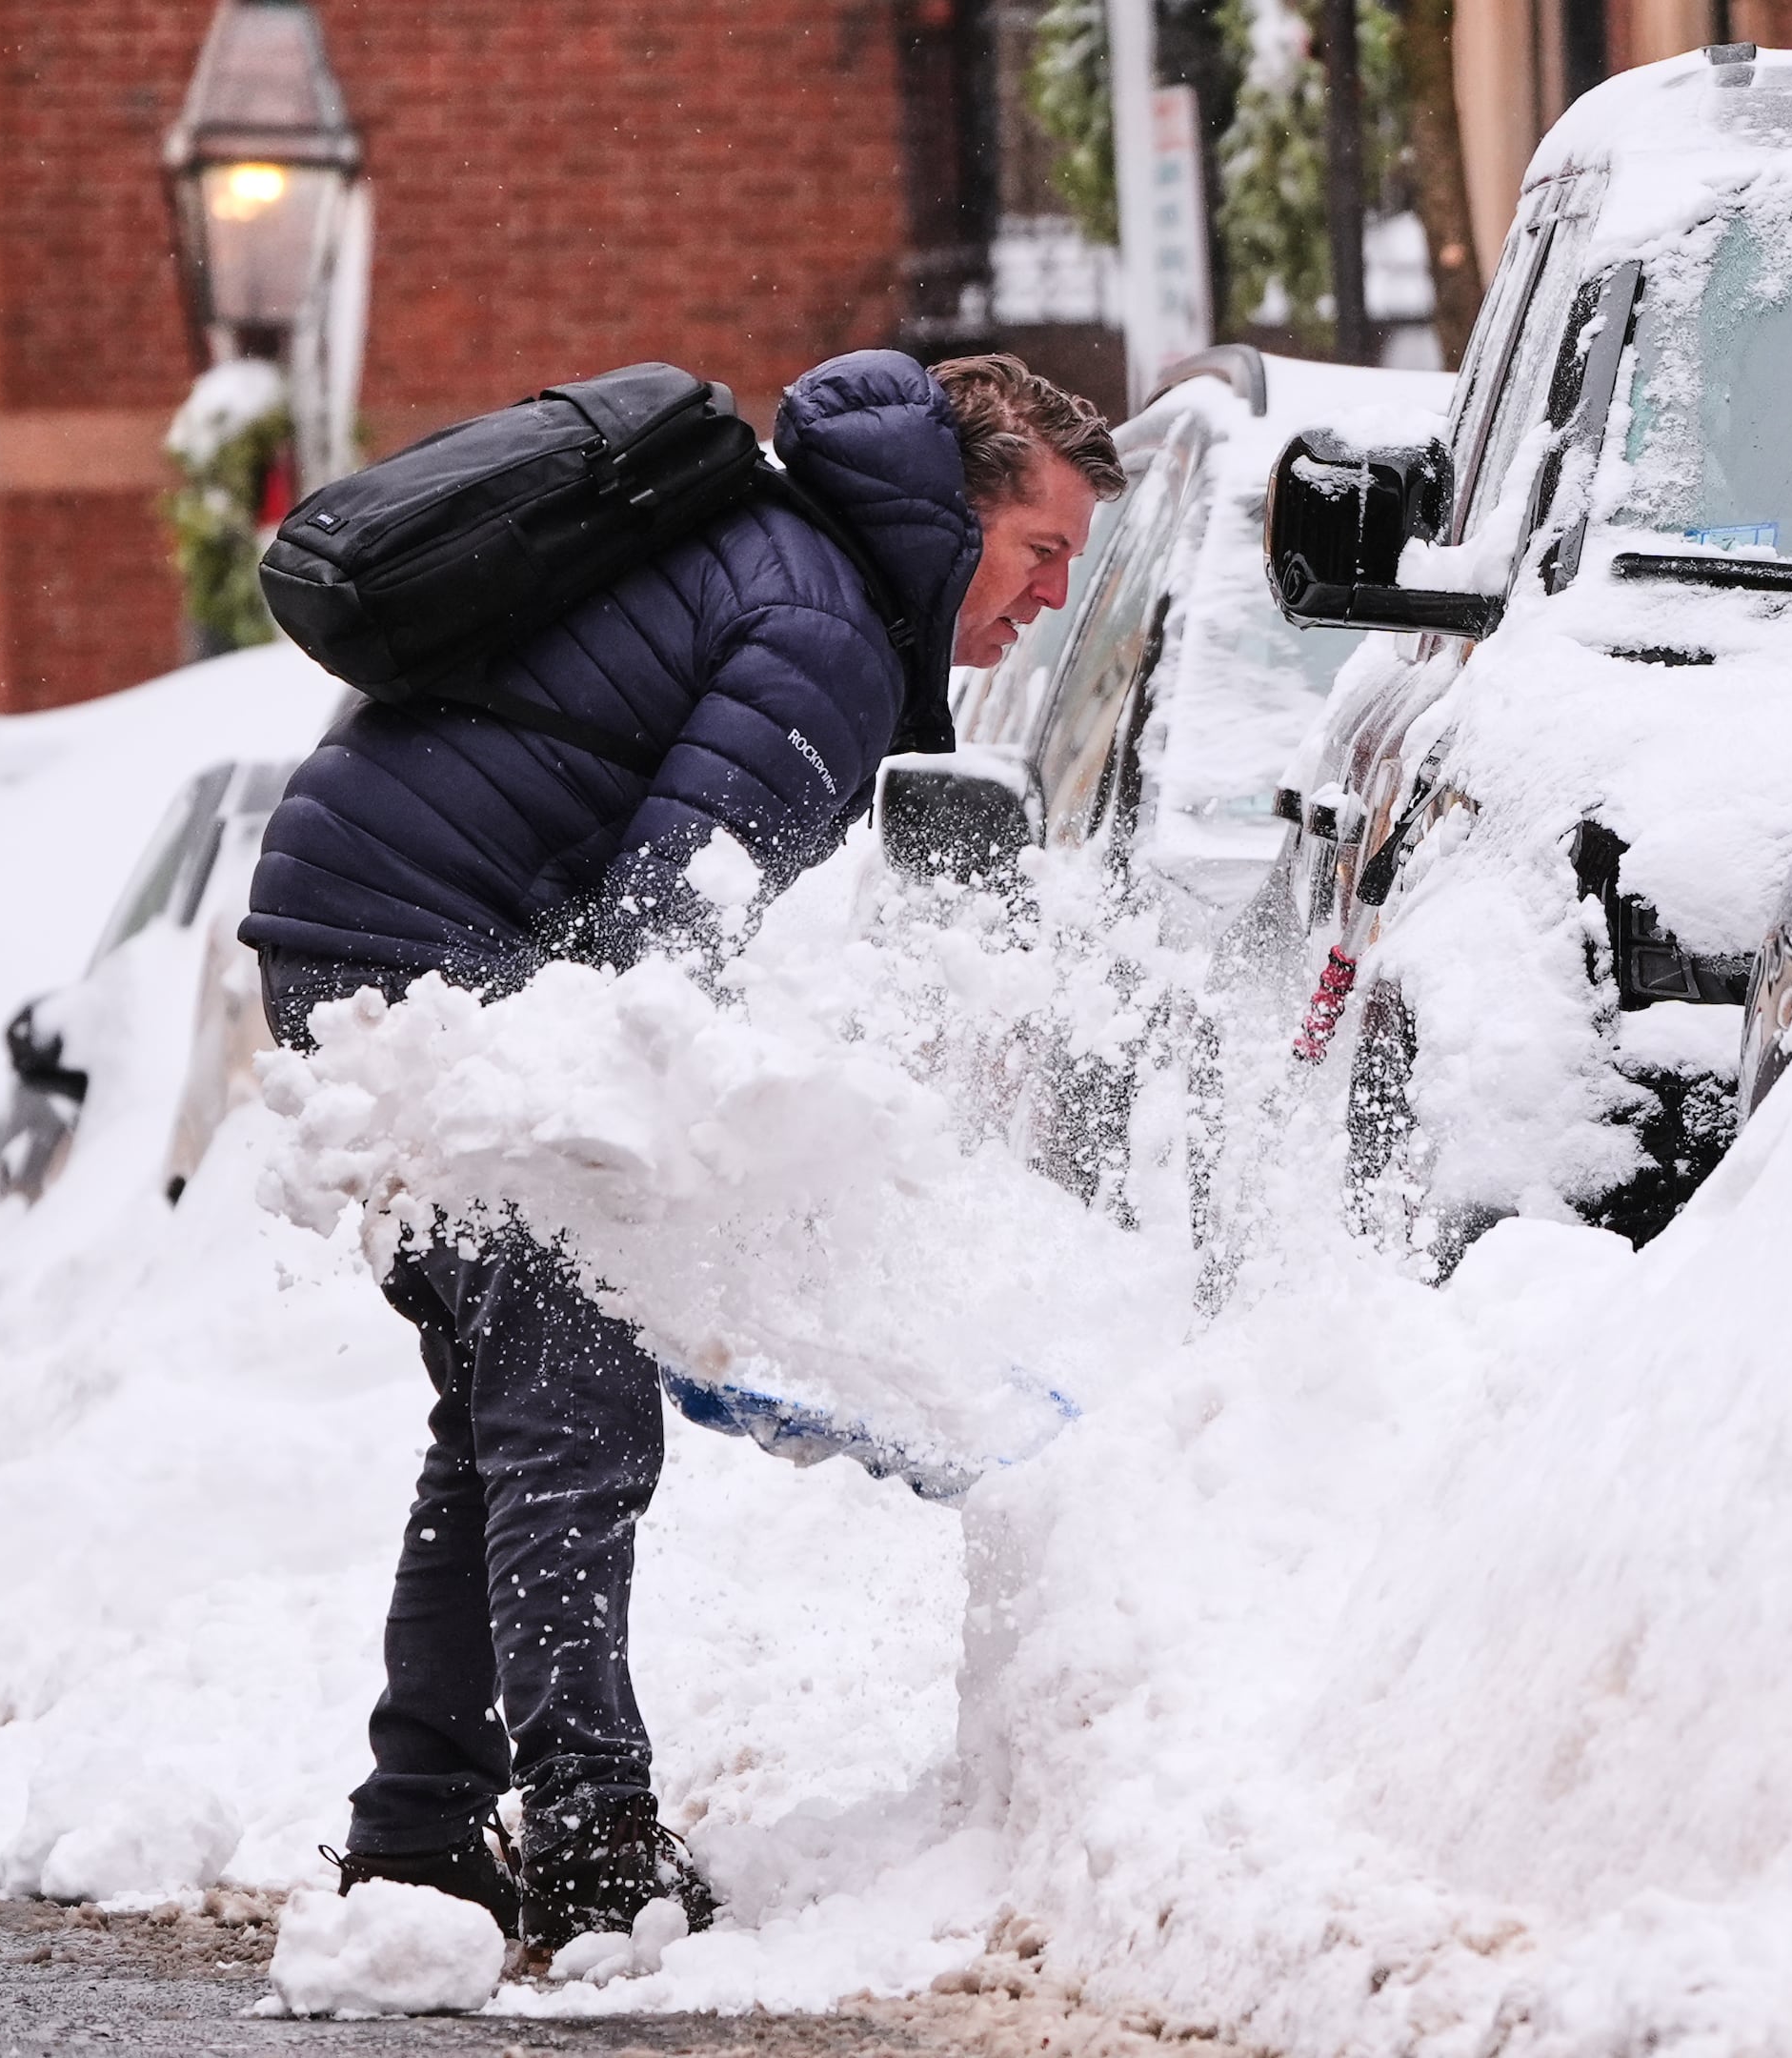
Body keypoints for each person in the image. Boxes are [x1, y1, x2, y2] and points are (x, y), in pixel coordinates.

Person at [238, 350, 1121, 1954]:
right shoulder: (829, 633)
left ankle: (422, 1836)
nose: (1052, 600)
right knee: (576, 1414)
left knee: (513, 1409)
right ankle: (590, 1846)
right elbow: (662, 938)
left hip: (373, 933)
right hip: (417, 956)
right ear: (954, 517)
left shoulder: (795, 569)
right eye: (1042, 551)